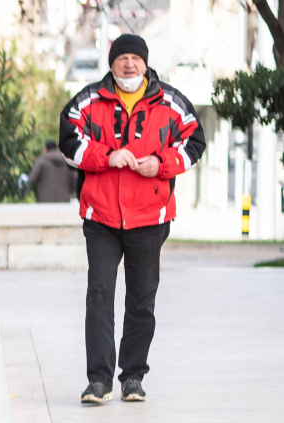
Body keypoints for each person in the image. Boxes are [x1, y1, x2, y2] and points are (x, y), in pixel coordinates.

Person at [59, 34, 204, 404]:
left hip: (149, 217)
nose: (128, 65)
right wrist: (105, 156)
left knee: (141, 300)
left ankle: (133, 377)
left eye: (134, 59)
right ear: (111, 63)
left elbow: (195, 141)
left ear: (145, 63)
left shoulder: (170, 102)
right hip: (102, 217)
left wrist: (161, 164)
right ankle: (99, 380)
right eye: (121, 58)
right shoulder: (88, 101)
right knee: (99, 294)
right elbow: (69, 140)